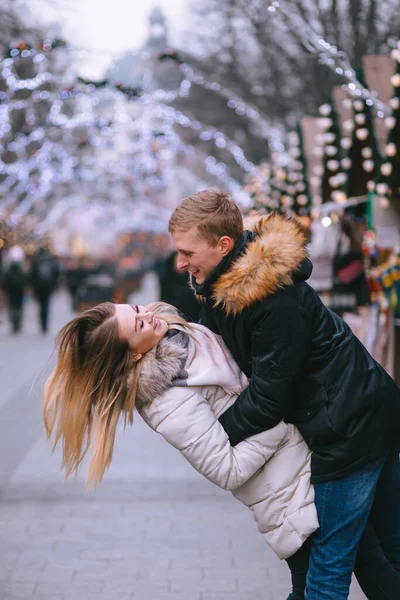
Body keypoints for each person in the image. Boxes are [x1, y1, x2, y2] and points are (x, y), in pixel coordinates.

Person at [43, 301, 400, 600]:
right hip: (288, 497)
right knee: (346, 572)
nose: (149, 315)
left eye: (136, 308)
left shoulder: (178, 342)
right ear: (134, 356)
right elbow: (227, 470)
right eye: (139, 323)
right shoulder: (167, 402)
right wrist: (279, 421)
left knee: (355, 568)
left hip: (304, 471)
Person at [168, 189, 400, 600]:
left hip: (347, 427)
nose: (180, 262)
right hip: (359, 411)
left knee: (326, 565)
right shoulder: (220, 285)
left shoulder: (270, 299)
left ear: (223, 246)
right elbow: (218, 350)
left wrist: (212, 436)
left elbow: (269, 397)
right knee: (381, 553)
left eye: (187, 251)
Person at [157, 250, 201, 321]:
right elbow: (164, 301)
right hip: (175, 317)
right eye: (177, 261)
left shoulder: (193, 279)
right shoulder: (167, 281)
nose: (180, 264)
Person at [30, 247, 60, 333]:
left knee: (40, 306)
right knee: (46, 305)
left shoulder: (36, 262)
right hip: (48, 287)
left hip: (39, 288)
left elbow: (32, 276)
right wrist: (54, 285)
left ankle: (42, 325)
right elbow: (56, 273)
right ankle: (45, 325)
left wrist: (34, 287)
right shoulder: (50, 261)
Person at [2, 245, 27, 334]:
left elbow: (4, 280)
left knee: (12, 307)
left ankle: (14, 324)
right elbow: (25, 279)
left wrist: (5, 289)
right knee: (19, 307)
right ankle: (17, 324)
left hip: (11, 291)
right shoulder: (21, 269)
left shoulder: (8, 269)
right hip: (19, 291)